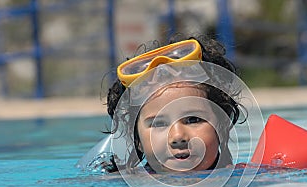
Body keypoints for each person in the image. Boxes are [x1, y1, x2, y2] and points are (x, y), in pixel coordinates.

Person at [104, 36, 249, 174]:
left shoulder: (244, 176)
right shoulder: (123, 184)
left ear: (222, 125)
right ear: (137, 139)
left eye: (193, 119)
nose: (178, 137)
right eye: (159, 123)